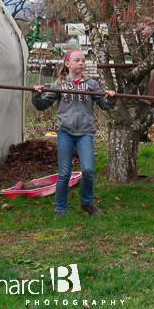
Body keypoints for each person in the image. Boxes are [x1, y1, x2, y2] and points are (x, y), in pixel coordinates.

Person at [32, 49, 116, 218]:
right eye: (77, 60)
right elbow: (42, 105)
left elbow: (105, 105)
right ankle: (60, 209)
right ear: (68, 64)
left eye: (84, 60)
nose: (81, 63)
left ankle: (86, 203)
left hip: (85, 132)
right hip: (65, 132)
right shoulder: (60, 85)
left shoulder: (91, 84)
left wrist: (111, 97)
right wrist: (36, 94)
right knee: (64, 173)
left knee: (88, 170)